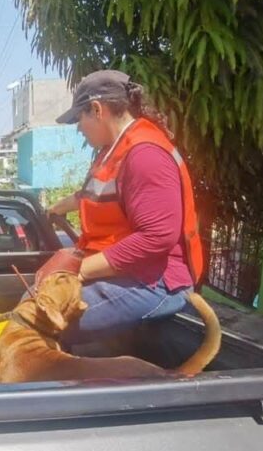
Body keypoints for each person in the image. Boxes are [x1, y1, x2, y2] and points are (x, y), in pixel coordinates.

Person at [48, 69, 204, 344]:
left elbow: (157, 237)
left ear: (97, 110)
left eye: (79, 119)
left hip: (156, 283)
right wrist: (56, 208)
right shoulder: (112, 150)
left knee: (41, 317)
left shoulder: (145, 155)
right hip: (128, 273)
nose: (79, 128)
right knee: (38, 298)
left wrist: (79, 270)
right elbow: (91, 195)